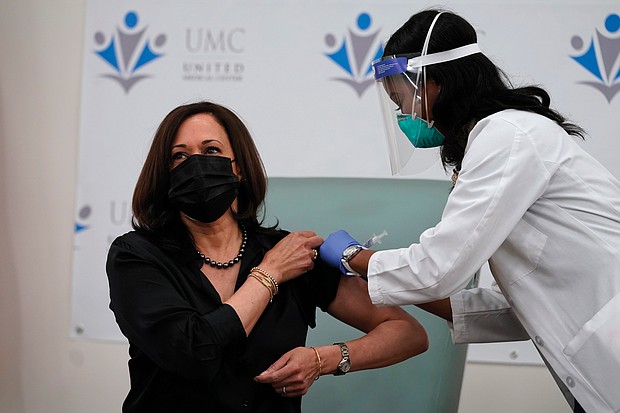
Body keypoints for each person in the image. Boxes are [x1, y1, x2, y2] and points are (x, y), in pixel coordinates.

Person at [319, 8, 620, 413]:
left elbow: (437, 269)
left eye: (403, 100)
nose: (408, 117)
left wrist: (354, 258)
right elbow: (513, 309)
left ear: (433, 83)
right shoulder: (497, 143)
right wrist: (384, 280)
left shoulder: (507, 136)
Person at [106, 101, 428, 413]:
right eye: (180, 156)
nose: (196, 165)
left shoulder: (292, 254)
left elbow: (407, 333)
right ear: (165, 175)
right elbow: (195, 353)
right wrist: (269, 273)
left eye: (212, 151)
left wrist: (322, 359)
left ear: (240, 169)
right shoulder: (137, 256)